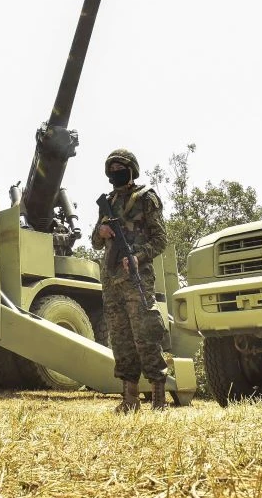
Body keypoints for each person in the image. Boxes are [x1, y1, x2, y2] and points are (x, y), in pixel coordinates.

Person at [92, 149, 169, 411]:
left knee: (146, 334)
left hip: (137, 279)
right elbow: (94, 242)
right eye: (111, 169)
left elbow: (160, 240)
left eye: (120, 168)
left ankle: (159, 397)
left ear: (132, 170)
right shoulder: (109, 202)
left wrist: (138, 256)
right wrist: (101, 231)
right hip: (111, 281)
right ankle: (129, 399)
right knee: (121, 338)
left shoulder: (146, 198)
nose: (115, 173)